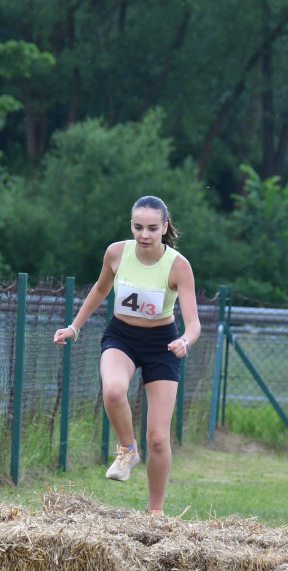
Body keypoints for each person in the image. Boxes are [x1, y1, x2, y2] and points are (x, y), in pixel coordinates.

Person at [53, 195, 201, 515]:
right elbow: (100, 289)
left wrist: (185, 342)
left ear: (164, 228)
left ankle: (155, 512)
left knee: (159, 439)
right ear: (131, 226)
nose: (144, 235)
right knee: (114, 389)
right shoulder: (116, 253)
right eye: (138, 227)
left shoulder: (178, 265)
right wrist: (74, 327)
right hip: (122, 336)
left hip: (163, 344)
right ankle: (127, 450)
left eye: (151, 228)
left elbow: (193, 323)